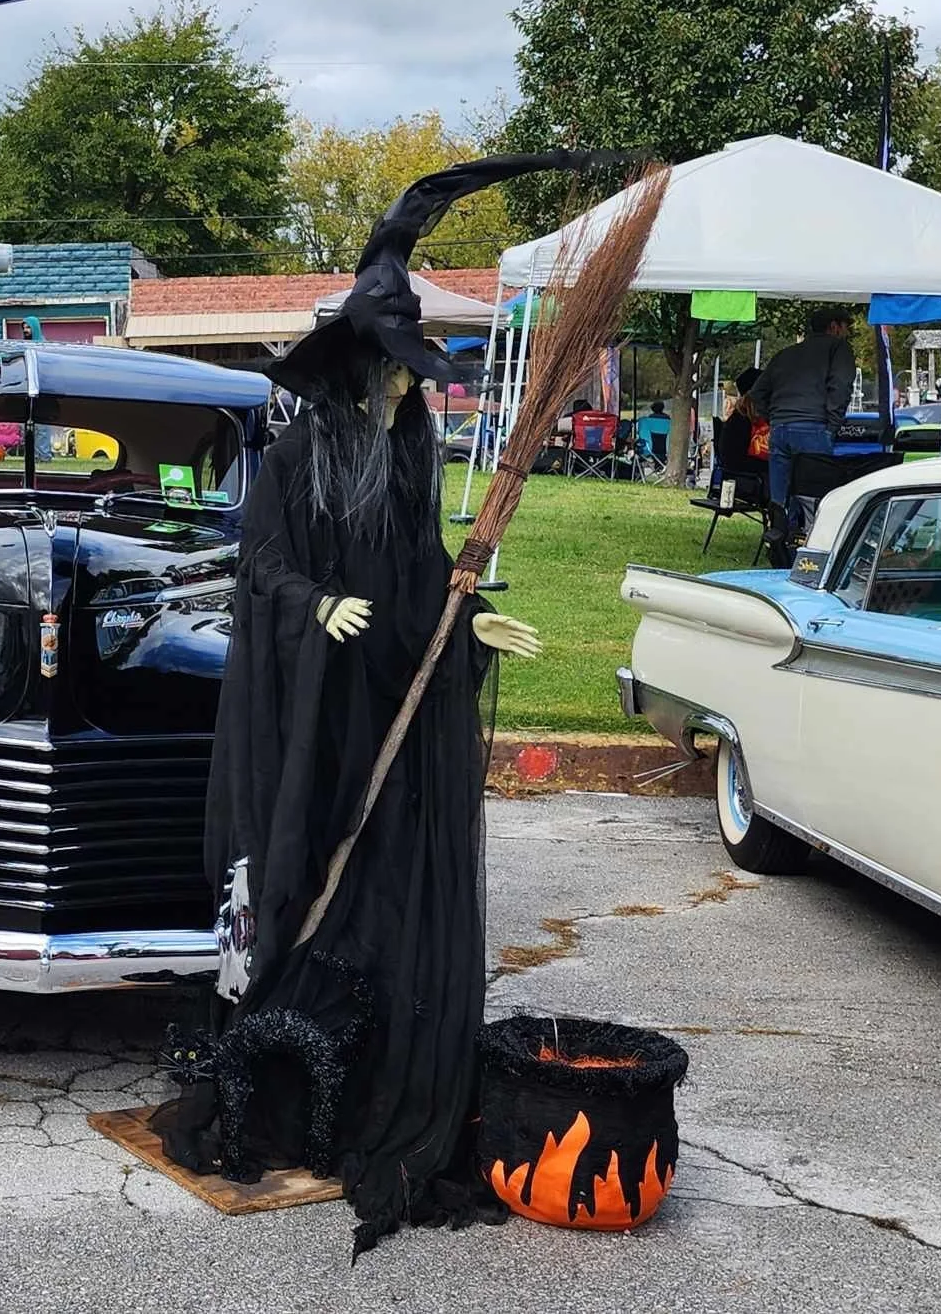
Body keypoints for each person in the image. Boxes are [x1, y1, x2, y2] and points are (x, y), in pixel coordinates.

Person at [151, 153, 595, 1254]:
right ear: (353, 366)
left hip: (386, 693)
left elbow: (422, 570)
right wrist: (313, 611)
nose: (408, 391)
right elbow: (256, 571)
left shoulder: (406, 456)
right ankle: (286, 1049)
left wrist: (468, 617)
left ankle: (369, 1059)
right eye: (392, 374)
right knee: (309, 860)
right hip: (312, 712)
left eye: (414, 376)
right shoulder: (298, 452)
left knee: (386, 866)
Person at [752, 310, 856, 531]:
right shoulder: (839, 349)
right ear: (834, 326)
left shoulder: (785, 354)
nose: (848, 332)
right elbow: (840, 387)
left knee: (779, 500)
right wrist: (832, 425)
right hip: (815, 428)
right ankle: (813, 548)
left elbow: (757, 392)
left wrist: (774, 418)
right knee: (816, 501)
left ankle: (778, 544)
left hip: (780, 429)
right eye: (846, 327)